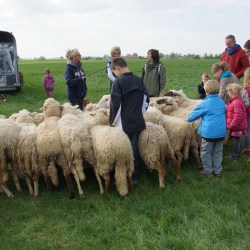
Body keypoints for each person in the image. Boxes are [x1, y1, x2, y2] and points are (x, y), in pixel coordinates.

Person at [109, 57, 149, 184]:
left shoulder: (118, 82)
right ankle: (134, 176)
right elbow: (146, 101)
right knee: (134, 149)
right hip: (137, 121)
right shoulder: (139, 81)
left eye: (114, 73)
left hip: (123, 123)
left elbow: (115, 104)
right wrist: (138, 112)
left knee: (123, 150)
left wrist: (111, 121)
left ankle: (124, 175)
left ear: (117, 68)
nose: (115, 75)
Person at [187, 80, 226, 177]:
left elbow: (190, 117)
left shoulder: (205, 103)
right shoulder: (221, 102)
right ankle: (218, 171)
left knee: (205, 152)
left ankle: (208, 171)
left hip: (209, 133)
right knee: (217, 152)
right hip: (221, 132)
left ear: (206, 90)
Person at [225, 83, 248, 160]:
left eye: (228, 92)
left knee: (236, 140)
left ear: (232, 92)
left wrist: (232, 125)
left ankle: (234, 155)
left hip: (237, 126)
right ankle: (238, 153)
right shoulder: (236, 101)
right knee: (238, 139)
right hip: (238, 125)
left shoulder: (236, 103)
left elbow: (238, 116)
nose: (228, 93)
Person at [241, 67, 250, 155]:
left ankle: (248, 148)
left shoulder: (245, 90)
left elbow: (245, 103)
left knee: (248, 130)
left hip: (248, 112)